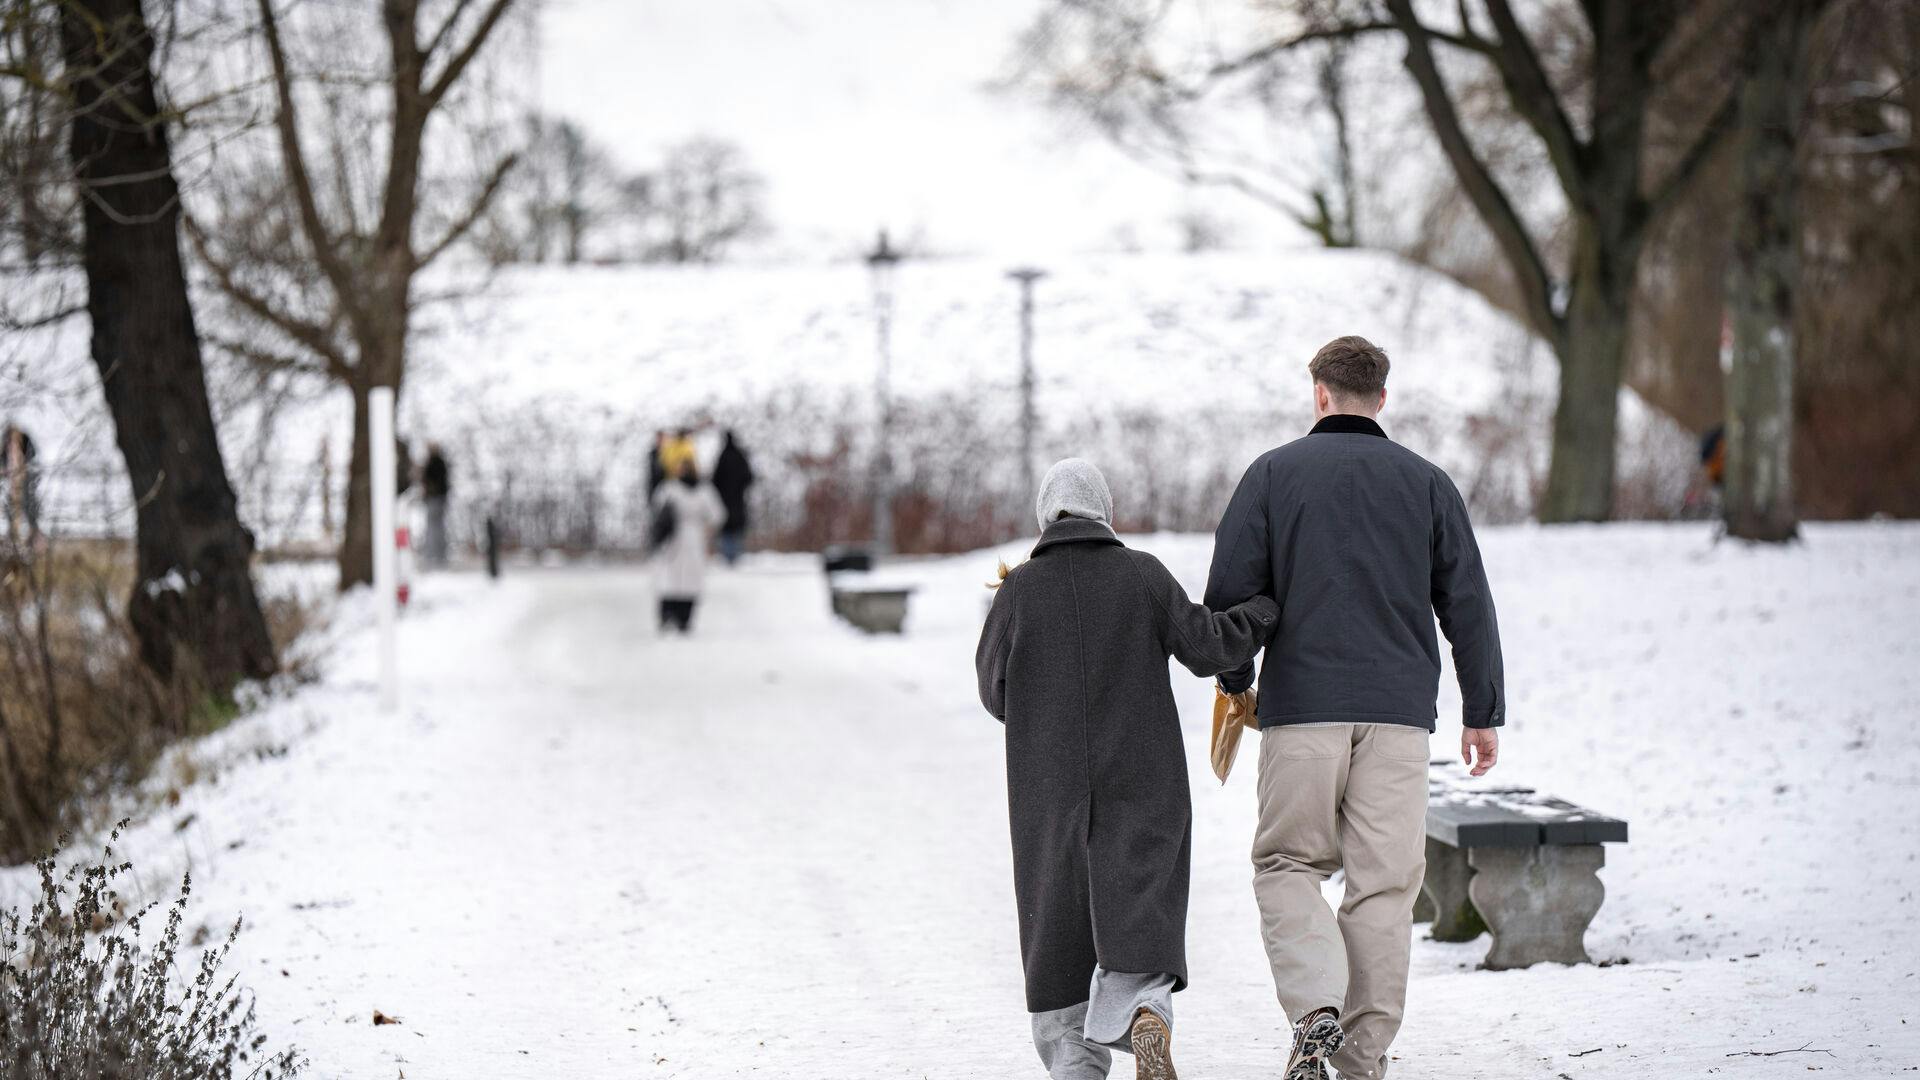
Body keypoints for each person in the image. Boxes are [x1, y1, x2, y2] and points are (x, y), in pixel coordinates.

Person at [1203, 336, 1505, 1080]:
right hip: (1400, 716)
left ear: (1319, 393)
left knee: (1284, 861)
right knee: (1383, 887)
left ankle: (1316, 1011)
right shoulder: (1427, 483)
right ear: (1382, 398)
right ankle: (1362, 1060)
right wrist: (1482, 709)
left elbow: (1229, 597)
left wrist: (1237, 678)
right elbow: (1467, 601)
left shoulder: (1273, 476)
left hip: (1303, 708)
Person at [976, 458, 1279, 1080]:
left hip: (1049, 786)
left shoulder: (1018, 591)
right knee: (1139, 895)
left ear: (1046, 515)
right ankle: (1144, 1011)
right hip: (1145, 773)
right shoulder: (1140, 575)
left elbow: (993, 688)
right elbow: (1207, 647)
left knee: (1056, 910)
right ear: (1104, 511)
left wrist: (1042, 714)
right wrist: (1263, 612)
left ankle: (1074, 1063)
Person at [650, 458, 724, 633]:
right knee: (674, 578)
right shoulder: (693, 490)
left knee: (682, 579)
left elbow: (716, 515)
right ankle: (673, 616)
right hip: (682, 538)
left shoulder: (672, 489)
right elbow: (717, 515)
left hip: (687, 538)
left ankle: (679, 617)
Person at [710, 429, 755, 565]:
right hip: (738, 500)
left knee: (727, 527)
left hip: (725, 500)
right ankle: (736, 556)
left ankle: (729, 557)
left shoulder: (722, 457)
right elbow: (749, 477)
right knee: (736, 528)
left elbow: (715, 480)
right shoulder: (740, 456)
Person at [2, 422, 39, 543]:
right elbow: (3, 460)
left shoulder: (24, 440)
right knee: (13, 506)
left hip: (25, 478)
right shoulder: (7, 442)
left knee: (28, 504)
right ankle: (14, 533)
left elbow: (31, 456)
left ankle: (32, 533)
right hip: (13, 480)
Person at [421, 443, 451, 568]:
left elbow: (432, 481)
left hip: (435, 499)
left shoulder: (434, 463)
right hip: (439, 498)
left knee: (434, 527)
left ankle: (434, 554)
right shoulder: (440, 463)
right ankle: (438, 554)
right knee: (438, 527)